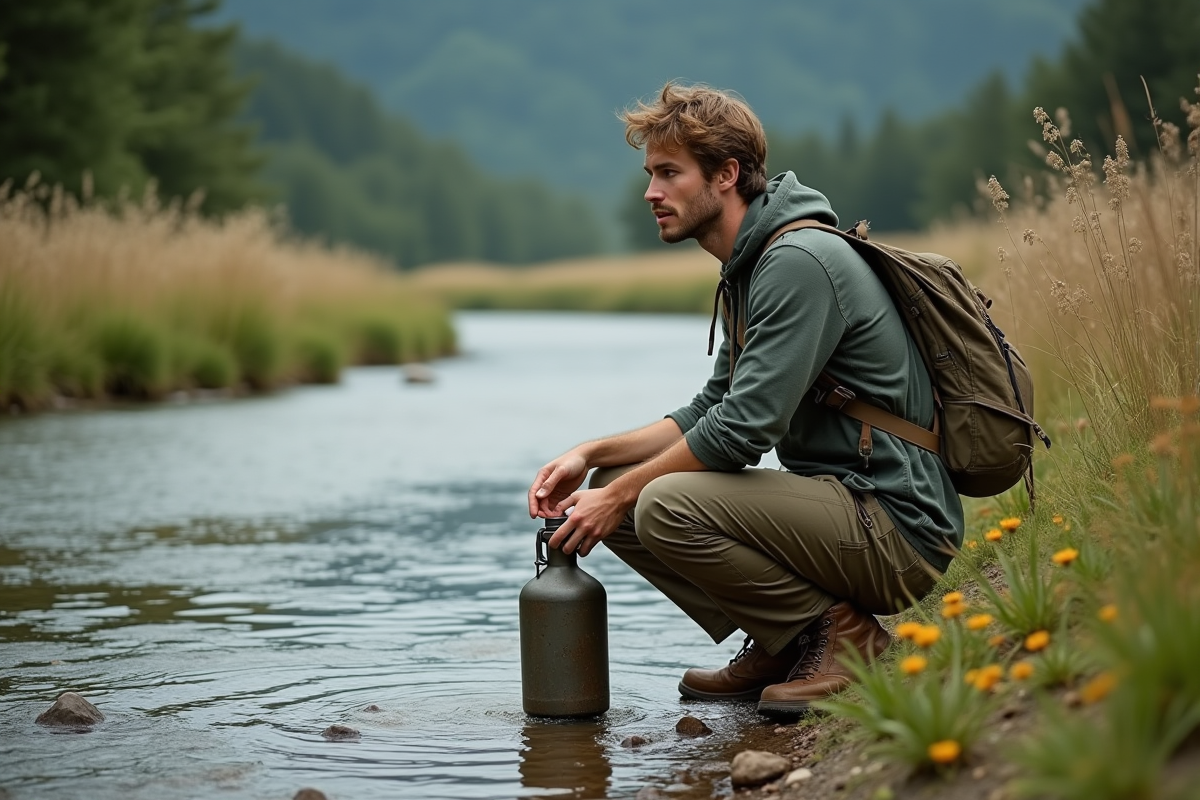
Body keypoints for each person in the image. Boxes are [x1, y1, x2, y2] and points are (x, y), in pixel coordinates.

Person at [526, 82, 963, 716]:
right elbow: (712, 407)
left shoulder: (797, 261)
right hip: (846, 510)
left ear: (727, 175)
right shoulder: (751, 265)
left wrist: (619, 497)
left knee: (659, 502)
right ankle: (787, 640)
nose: (650, 192)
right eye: (650, 174)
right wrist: (588, 455)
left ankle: (846, 638)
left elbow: (741, 432)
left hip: (900, 526)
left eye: (669, 173)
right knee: (613, 479)